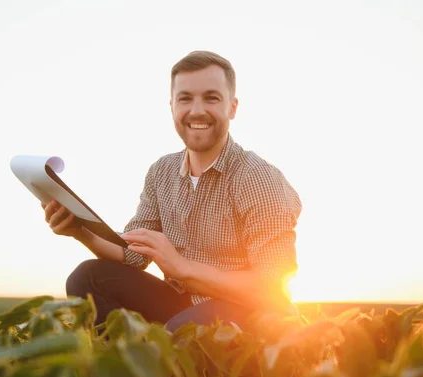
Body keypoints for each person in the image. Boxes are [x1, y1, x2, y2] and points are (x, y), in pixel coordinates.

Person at [42, 50, 302, 332]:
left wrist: (182, 266)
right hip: (182, 304)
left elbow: (272, 289)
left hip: (246, 314)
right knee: (87, 278)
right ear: (172, 106)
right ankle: (122, 368)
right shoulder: (161, 171)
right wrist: (78, 229)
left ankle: (169, 368)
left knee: (182, 329)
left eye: (211, 98)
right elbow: (132, 254)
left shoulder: (258, 179)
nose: (197, 110)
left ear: (232, 107)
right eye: (185, 98)